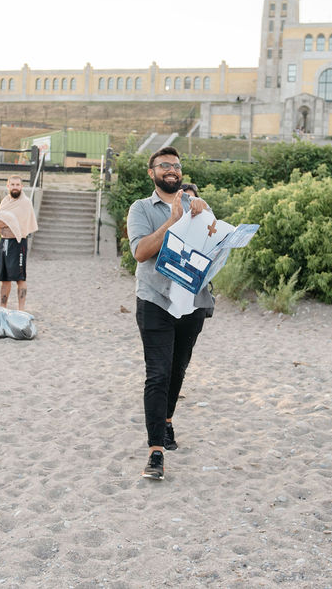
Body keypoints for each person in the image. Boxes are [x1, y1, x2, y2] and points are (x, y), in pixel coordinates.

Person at [126, 146, 213, 481]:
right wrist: (174, 221)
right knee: (158, 374)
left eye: (176, 166)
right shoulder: (141, 209)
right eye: (165, 165)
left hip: (191, 302)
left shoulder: (198, 207)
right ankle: (155, 451)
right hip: (155, 301)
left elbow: (211, 249)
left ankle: (166, 420)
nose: (172, 170)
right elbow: (141, 251)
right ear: (152, 173)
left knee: (178, 371)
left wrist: (210, 225)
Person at [0, 175, 39, 310]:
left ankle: (21, 308)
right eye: (12, 184)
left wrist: (6, 223)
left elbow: (18, 223)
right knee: (4, 278)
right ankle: (3, 306)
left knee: (20, 278)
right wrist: (8, 223)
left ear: (21, 186)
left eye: (18, 185)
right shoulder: (5, 201)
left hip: (18, 243)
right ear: (8, 186)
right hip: (4, 242)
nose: (15, 187)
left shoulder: (25, 202)